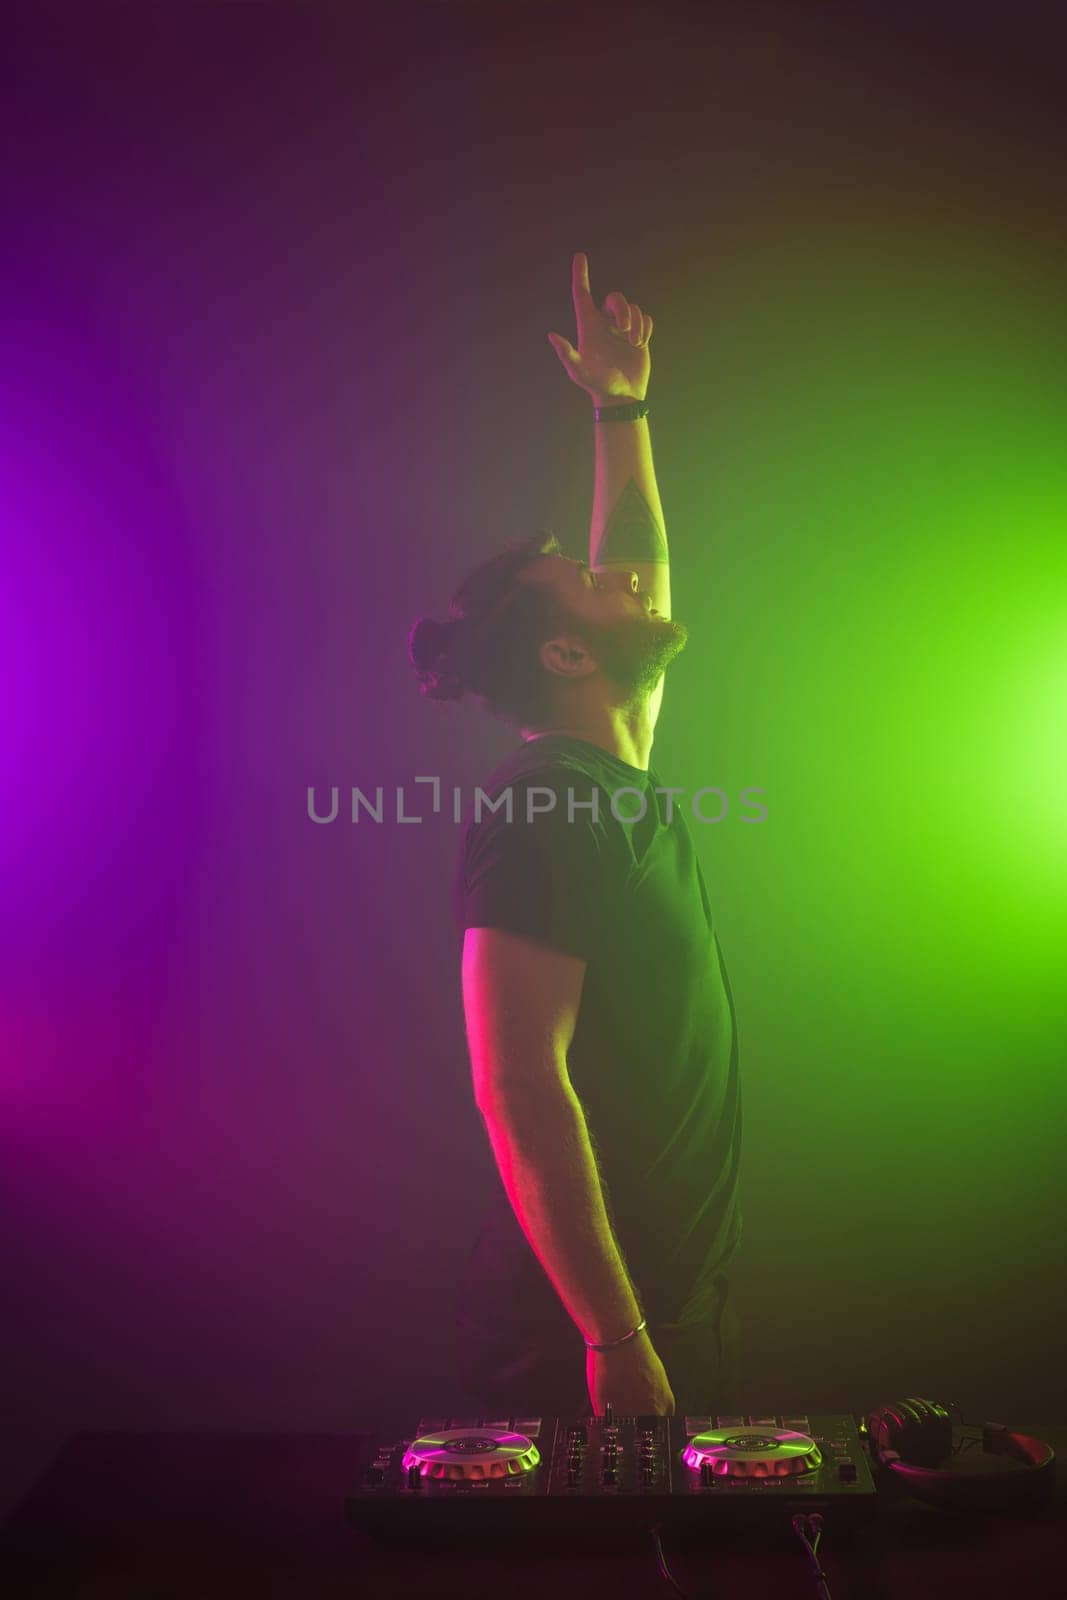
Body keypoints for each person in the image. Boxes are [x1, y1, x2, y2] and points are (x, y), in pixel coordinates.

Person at [408, 252, 743, 1421]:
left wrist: (622, 408)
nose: (629, 584)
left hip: (657, 1303)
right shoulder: (541, 807)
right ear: (563, 655)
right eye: (594, 589)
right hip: (580, 1343)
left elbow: (641, 554)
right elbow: (518, 1087)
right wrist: (615, 1337)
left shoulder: (614, 764)